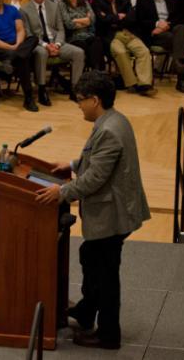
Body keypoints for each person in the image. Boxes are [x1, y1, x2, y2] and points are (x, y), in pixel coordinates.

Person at [36, 71, 150, 350]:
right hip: (114, 209)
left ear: (95, 100)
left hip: (113, 214)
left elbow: (96, 177)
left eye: (80, 101)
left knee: (106, 276)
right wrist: (73, 165)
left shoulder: (109, 129)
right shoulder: (114, 119)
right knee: (90, 257)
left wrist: (61, 192)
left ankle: (108, 335)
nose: (79, 106)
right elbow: (95, 157)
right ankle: (86, 312)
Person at [20, 0, 85, 105]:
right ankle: (42, 90)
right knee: (42, 53)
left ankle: (74, 89)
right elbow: (29, 35)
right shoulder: (24, 10)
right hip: (38, 44)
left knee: (79, 52)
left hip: (55, 42)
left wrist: (57, 44)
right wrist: (45, 45)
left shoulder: (54, 6)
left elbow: (60, 29)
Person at [93, 0, 154, 96]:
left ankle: (145, 84)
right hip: (111, 36)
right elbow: (102, 20)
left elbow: (131, 18)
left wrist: (111, 18)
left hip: (127, 32)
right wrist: (118, 17)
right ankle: (132, 84)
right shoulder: (97, 1)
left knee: (144, 51)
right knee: (120, 52)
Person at [135, 0, 184, 94]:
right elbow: (140, 20)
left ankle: (179, 72)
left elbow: (179, 18)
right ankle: (182, 78)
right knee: (181, 40)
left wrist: (166, 26)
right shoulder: (142, 0)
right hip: (154, 35)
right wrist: (156, 24)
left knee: (181, 28)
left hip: (170, 31)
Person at [60, 0, 105, 73]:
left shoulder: (83, 1)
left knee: (97, 42)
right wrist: (85, 20)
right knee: (84, 47)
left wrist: (76, 20)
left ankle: (96, 72)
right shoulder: (62, 4)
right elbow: (69, 24)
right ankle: (91, 75)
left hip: (88, 35)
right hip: (73, 37)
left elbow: (93, 19)